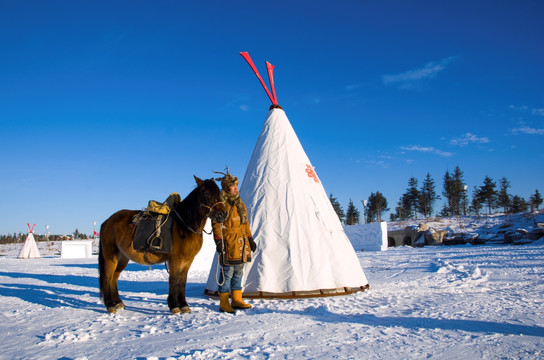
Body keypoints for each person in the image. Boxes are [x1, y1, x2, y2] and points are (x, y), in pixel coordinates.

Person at [212, 169, 257, 313]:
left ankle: (237, 300)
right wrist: (219, 241)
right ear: (226, 188)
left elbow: (245, 224)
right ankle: (224, 302)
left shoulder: (240, 203)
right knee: (227, 273)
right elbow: (216, 224)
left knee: (239, 272)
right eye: (233, 186)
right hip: (229, 242)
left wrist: (250, 239)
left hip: (242, 243)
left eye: (236, 185)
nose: (236, 188)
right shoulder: (221, 204)